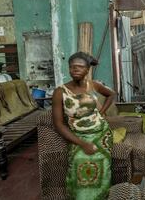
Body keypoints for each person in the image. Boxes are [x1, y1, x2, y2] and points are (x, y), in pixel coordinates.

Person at [52, 52, 116, 199]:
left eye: (80, 67)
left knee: (103, 170)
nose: (75, 70)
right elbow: (58, 124)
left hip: (101, 134)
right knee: (78, 167)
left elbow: (111, 94)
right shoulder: (60, 92)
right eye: (72, 67)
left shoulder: (93, 85)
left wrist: (101, 112)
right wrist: (82, 143)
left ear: (87, 70)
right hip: (78, 137)